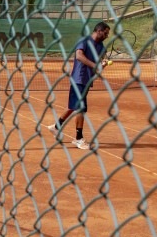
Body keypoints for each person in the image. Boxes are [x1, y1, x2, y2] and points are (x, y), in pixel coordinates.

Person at [47, 21, 111, 149]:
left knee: (74, 106)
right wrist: (95, 65)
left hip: (88, 80)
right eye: (105, 33)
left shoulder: (101, 47)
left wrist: (102, 64)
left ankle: (56, 127)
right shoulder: (85, 40)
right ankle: (78, 138)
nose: (107, 36)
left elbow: (99, 66)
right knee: (81, 108)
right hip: (79, 78)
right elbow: (79, 56)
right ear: (99, 31)